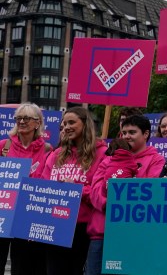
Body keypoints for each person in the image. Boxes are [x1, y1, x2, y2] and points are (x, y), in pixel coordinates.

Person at [86, 115, 165, 275]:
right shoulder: (108, 159)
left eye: (132, 132)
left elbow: (150, 192)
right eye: (124, 132)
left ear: (146, 134)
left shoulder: (156, 160)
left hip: (134, 235)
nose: (127, 136)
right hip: (102, 232)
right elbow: (95, 190)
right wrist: (108, 204)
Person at [41, 107, 107, 275]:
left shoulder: (102, 153)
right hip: (54, 225)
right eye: (64, 123)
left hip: (82, 228)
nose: (66, 127)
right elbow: (42, 185)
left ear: (85, 125)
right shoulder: (56, 154)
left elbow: (102, 193)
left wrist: (77, 190)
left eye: (71, 122)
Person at [3, 103, 53, 275]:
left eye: (26, 118)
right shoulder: (4, 146)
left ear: (37, 123)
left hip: (28, 214)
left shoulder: (47, 149)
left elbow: (46, 182)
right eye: (18, 118)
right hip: (3, 212)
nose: (21, 121)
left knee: (23, 266)